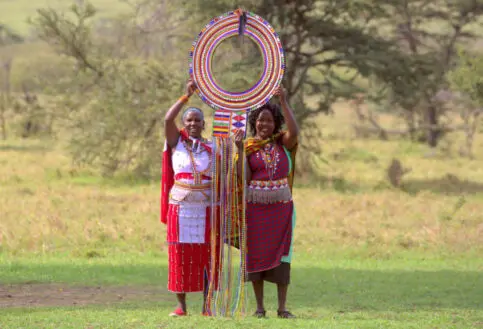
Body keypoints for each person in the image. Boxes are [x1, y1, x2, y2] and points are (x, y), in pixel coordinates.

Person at [235, 85, 299, 319]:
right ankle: (260, 308)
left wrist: (283, 101)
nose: (264, 125)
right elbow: (246, 178)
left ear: (276, 123)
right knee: (256, 256)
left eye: (269, 121)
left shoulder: (283, 142)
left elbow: (295, 130)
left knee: (283, 256)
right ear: (254, 123)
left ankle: (282, 308)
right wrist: (239, 150)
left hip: (282, 210)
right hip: (256, 210)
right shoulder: (249, 147)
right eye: (260, 121)